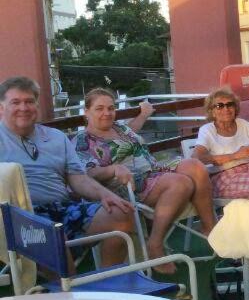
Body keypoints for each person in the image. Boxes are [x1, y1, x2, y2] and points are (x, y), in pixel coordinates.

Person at [73, 88, 217, 273]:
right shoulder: (83, 140)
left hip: (155, 170)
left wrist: (144, 113)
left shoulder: (120, 128)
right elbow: (86, 174)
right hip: (127, 184)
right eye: (99, 108)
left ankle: (209, 229)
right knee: (181, 183)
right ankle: (154, 244)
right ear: (86, 112)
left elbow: (131, 132)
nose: (107, 113)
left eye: (111, 108)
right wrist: (112, 169)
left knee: (195, 166)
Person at [0, 76, 134, 268]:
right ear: (1, 107)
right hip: (19, 217)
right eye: (16, 102)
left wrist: (105, 194)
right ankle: (66, 285)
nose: (24, 108)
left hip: (61, 208)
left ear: (36, 105)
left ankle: (107, 281)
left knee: (120, 213)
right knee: (52, 238)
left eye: (29, 101)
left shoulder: (56, 137)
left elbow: (78, 178)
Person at [192, 87, 249, 205]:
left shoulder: (243, 124)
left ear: (235, 108)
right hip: (223, 175)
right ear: (212, 111)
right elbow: (197, 157)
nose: (226, 109)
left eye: (230, 104)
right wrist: (235, 155)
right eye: (219, 106)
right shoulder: (207, 130)